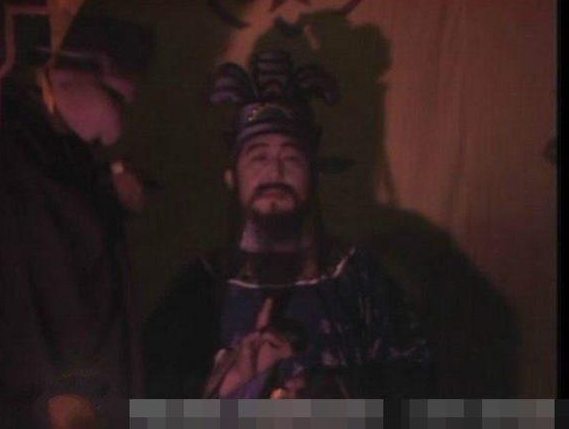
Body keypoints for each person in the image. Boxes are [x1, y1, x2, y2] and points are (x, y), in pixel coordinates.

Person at [144, 51, 432, 399]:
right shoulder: (197, 288)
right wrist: (226, 388)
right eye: (259, 157)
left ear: (313, 176)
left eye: (291, 158)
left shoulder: (359, 279)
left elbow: (421, 385)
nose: (275, 171)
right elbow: (146, 404)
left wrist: (341, 394)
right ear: (232, 177)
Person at [0, 8, 154, 429]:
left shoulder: (56, 145)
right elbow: (41, 261)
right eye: (114, 96)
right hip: (54, 388)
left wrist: (108, 192)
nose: (116, 122)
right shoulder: (18, 143)